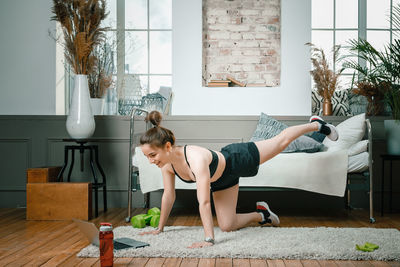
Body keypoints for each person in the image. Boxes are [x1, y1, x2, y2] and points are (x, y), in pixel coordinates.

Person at [138, 111, 338, 248]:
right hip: (222, 181)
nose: (150, 161)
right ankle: (263, 215)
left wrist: (209, 239)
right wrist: (159, 228)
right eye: (147, 156)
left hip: (236, 159)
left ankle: (316, 125)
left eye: (152, 155)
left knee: (279, 144)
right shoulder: (167, 166)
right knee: (227, 225)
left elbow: (204, 201)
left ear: (167, 147)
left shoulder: (195, 158)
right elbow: (168, 197)